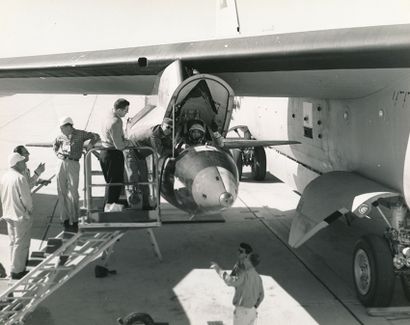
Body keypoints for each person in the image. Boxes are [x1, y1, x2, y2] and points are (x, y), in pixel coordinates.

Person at [53, 116, 100, 232]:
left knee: (73, 192)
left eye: (62, 127)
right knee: (61, 191)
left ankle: (74, 220)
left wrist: (90, 145)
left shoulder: (80, 134)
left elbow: (96, 136)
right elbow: (55, 145)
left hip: (73, 163)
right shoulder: (60, 136)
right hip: (61, 163)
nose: (61, 129)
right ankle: (64, 219)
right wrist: (58, 154)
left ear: (69, 126)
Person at [125, 117, 173, 209]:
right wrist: (172, 151)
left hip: (141, 154)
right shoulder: (154, 134)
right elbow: (160, 151)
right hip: (131, 151)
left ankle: (146, 204)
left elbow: (169, 147)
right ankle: (133, 204)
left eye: (171, 129)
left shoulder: (164, 134)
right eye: (168, 127)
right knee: (132, 177)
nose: (169, 130)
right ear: (162, 125)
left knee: (144, 177)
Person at [211, 245, 264, 325]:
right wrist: (253, 307)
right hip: (253, 312)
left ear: (249, 262)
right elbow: (262, 296)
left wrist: (218, 269)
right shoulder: (258, 278)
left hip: (242, 313)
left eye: (247, 258)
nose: (245, 259)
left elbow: (229, 281)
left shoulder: (243, 274)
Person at [0, 153, 33, 279]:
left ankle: (14, 267)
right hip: (20, 215)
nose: (25, 164)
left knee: (13, 243)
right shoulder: (20, 178)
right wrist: (29, 210)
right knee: (21, 243)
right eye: (23, 162)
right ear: (17, 164)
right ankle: (17, 271)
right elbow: (26, 198)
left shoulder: (5, 177)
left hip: (9, 215)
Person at [100, 98, 132, 212]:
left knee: (110, 182)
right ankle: (109, 207)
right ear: (119, 109)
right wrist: (128, 142)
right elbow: (119, 145)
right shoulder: (116, 121)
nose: (127, 112)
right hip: (113, 154)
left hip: (104, 152)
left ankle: (107, 206)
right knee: (115, 182)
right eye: (125, 110)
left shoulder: (107, 116)